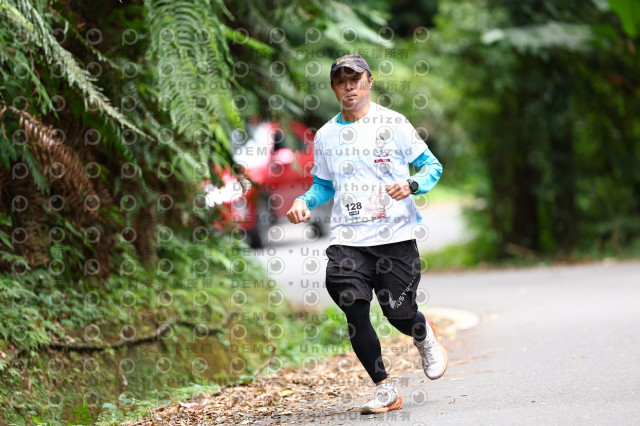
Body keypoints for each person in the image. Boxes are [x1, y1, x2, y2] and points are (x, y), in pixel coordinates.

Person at [286, 54, 447, 414]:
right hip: (349, 239)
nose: (349, 87)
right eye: (341, 81)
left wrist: (412, 184)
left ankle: (422, 332)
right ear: (334, 88)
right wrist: (303, 201)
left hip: (395, 236)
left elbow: (432, 166)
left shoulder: (394, 123)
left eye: (355, 80)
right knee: (353, 307)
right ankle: (384, 389)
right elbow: (323, 186)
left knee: (399, 314)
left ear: (369, 82)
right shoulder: (326, 135)